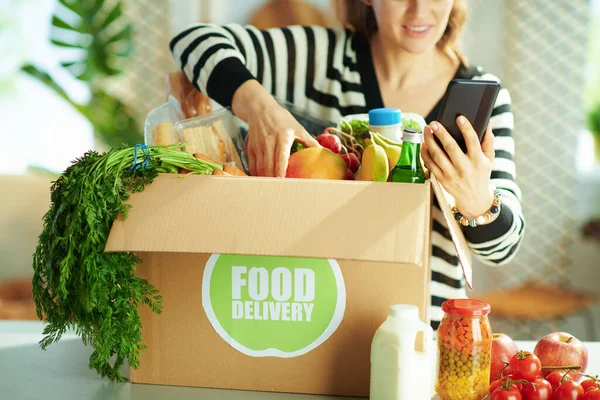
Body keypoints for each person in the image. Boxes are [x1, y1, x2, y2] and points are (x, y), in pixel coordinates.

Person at [168, 0, 525, 330]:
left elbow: (505, 247)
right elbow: (192, 40)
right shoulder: (323, 57)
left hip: (422, 336)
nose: (419, 10)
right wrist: (260, 106)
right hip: (318, 322)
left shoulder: (480, 99)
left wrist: (478, 200)